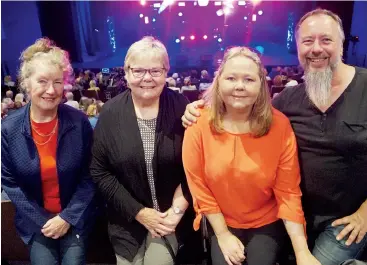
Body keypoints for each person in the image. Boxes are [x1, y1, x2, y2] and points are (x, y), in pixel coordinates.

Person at [181, 9, 367, 265]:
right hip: (296, 217)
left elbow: (286, 186)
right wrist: (197, 109)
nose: (316, 49)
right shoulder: (288, 102)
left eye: (326, 40)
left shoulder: (363, 89)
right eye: (307, 41)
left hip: (346, 220)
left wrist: (365, 214)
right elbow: (200, 183)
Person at [182, 46, 318, 265]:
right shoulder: (198, 123)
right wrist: (224, 235)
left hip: (266, 221)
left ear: (261, 85)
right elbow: (199, 187)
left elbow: (288, 192)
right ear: (219, 82)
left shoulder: (279, 125)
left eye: (248, 79)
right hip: (220, 220)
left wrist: (302, 252)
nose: (239, 87)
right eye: (231, 78)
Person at [90, 36, 194, 265]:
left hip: (171, 218)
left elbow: (195, 169)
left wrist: (175, 214)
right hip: (128, 219)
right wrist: (139, 213)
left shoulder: (182, 108)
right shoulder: (110, 113)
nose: (147, 78)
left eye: (156, 71)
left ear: (166, 73)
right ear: (126, 73)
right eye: (138, 71)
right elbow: (100, 171)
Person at [1, 38, 98, 265]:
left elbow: (90, 175)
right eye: (42, 81)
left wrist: (67, 217)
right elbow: (10, 183)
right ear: (26, 83)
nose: (51, 90)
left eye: (57, 82)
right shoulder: (8, 129)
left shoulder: (79, 122)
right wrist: (44, 221)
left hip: (75, 217)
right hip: (35, 221)